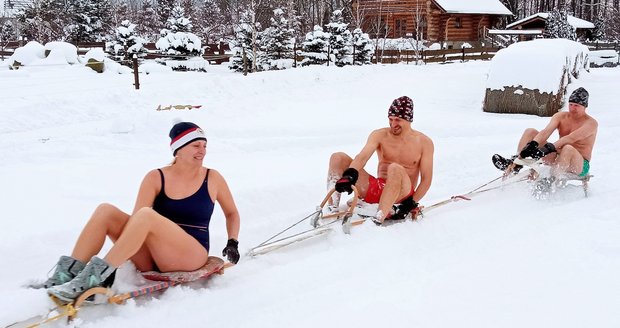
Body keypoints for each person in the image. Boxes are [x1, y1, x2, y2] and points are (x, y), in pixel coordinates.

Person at [35, 122, 241, 303]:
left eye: (204, 146)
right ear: (178, 149)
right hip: (153, 256)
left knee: (146, 215)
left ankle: (96, 277)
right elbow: (136, 224)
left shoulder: (212, 178)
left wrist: (233, 241)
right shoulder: (156, 177)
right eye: (196, 145)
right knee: (106, 211)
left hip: (190, 255)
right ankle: (65, 275)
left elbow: (231, 213)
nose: (202, 151)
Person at [327, 96, 434, 225]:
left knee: (395, 168)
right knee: (337, 157)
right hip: (378, 188)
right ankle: (332, 209)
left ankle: (379, 217)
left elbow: (426, 180)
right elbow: (362, 157)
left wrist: (409, 204)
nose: (393, 124)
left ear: (408, 120)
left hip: (401, 195)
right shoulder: (379, 135)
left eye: (398, 120)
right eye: (390, 119)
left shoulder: (424, 142)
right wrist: (350, 174)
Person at [493, 87, 598, 182]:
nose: (572, 108)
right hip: (558, 156)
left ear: (584, 106)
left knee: (568, 148)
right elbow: (546, 131)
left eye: (576, 106)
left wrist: (547, 149)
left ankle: (551, 180)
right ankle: (515, 164)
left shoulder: (591, 123)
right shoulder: (561, 116)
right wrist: (532, 145)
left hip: (579, 164)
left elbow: (571, 138)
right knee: (530, 132)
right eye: (570, 105)